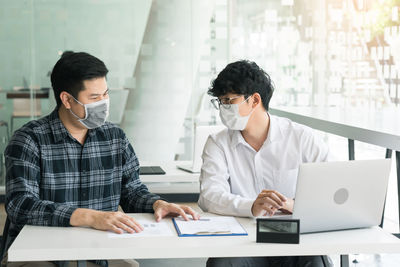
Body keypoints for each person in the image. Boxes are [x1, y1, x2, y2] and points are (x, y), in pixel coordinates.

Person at [1, 51, 199, 267]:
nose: (104, 103)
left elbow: (131, 191)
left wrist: (157, 204)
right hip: (41, 254)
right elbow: (20, 204)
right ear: (66, 99)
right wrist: (90, 217)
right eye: (94, 98)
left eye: (105, 94)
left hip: (99, 251)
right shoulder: (29, 140)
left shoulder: (115, 137)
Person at [198, 60, 330, 267]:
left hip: (291, 236)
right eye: (220, 102)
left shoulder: (302, 137)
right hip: (243, 238)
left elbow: (329, 192)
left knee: (317, 261)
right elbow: (210, 197)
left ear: (255, 100)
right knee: (223, 264)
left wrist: (295, 205)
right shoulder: (218, 143)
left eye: (228, 101)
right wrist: (251, 206)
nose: (222, 108)